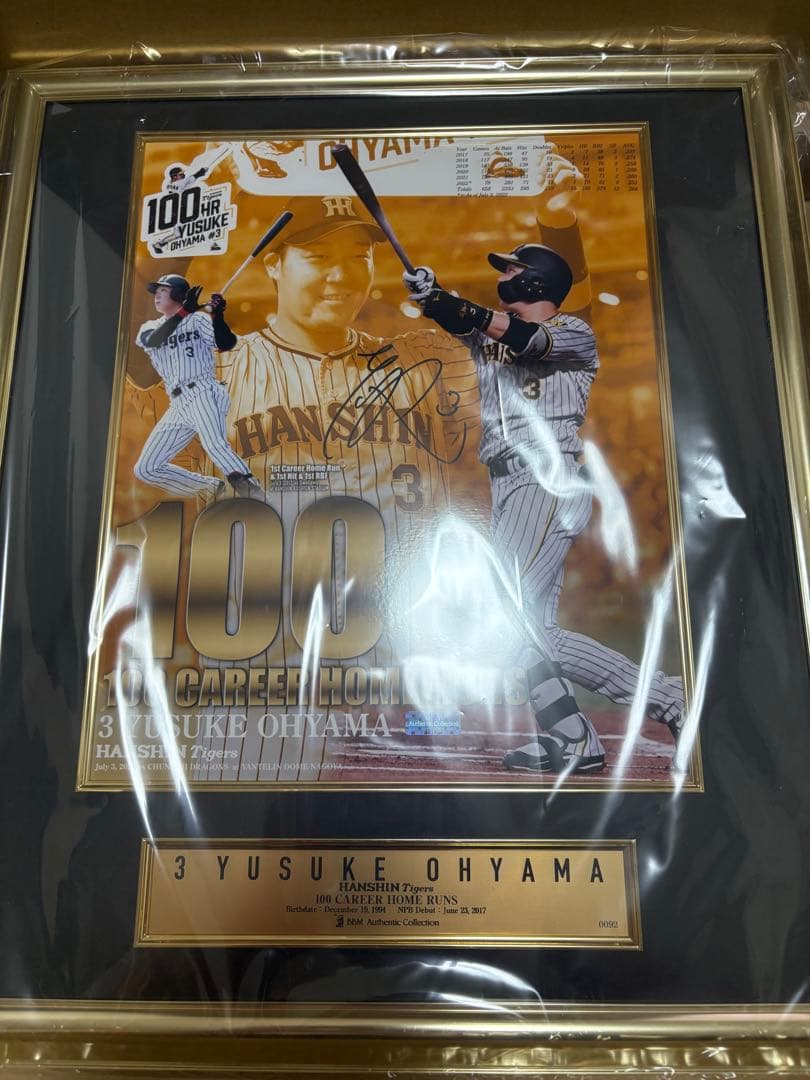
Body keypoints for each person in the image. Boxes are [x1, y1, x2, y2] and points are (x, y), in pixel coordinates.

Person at [403, 205, 684, 773]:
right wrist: (433, 295)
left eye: (511, 269)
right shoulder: (489, 335)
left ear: (536, 281)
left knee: (510, 623)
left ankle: (669, 697)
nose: (503, 276)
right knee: (529, 627)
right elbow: (467, 324)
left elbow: (524, 338)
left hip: (545, 478)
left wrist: (455, 305)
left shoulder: (573, 332)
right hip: (510, 484)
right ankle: (572, 738)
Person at [134, 273, 258, 498]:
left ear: (178, 295)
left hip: (202, 391)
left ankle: (255, 495)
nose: (157, 295)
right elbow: (154, 341)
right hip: (178, 403)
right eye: (156, 291)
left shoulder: (197, 320)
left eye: (164, 290)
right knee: (146, 469)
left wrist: (218, 317)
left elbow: (226, 343)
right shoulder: (150, 328)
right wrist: (184, 312)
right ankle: (210, 488)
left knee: (215, 445)